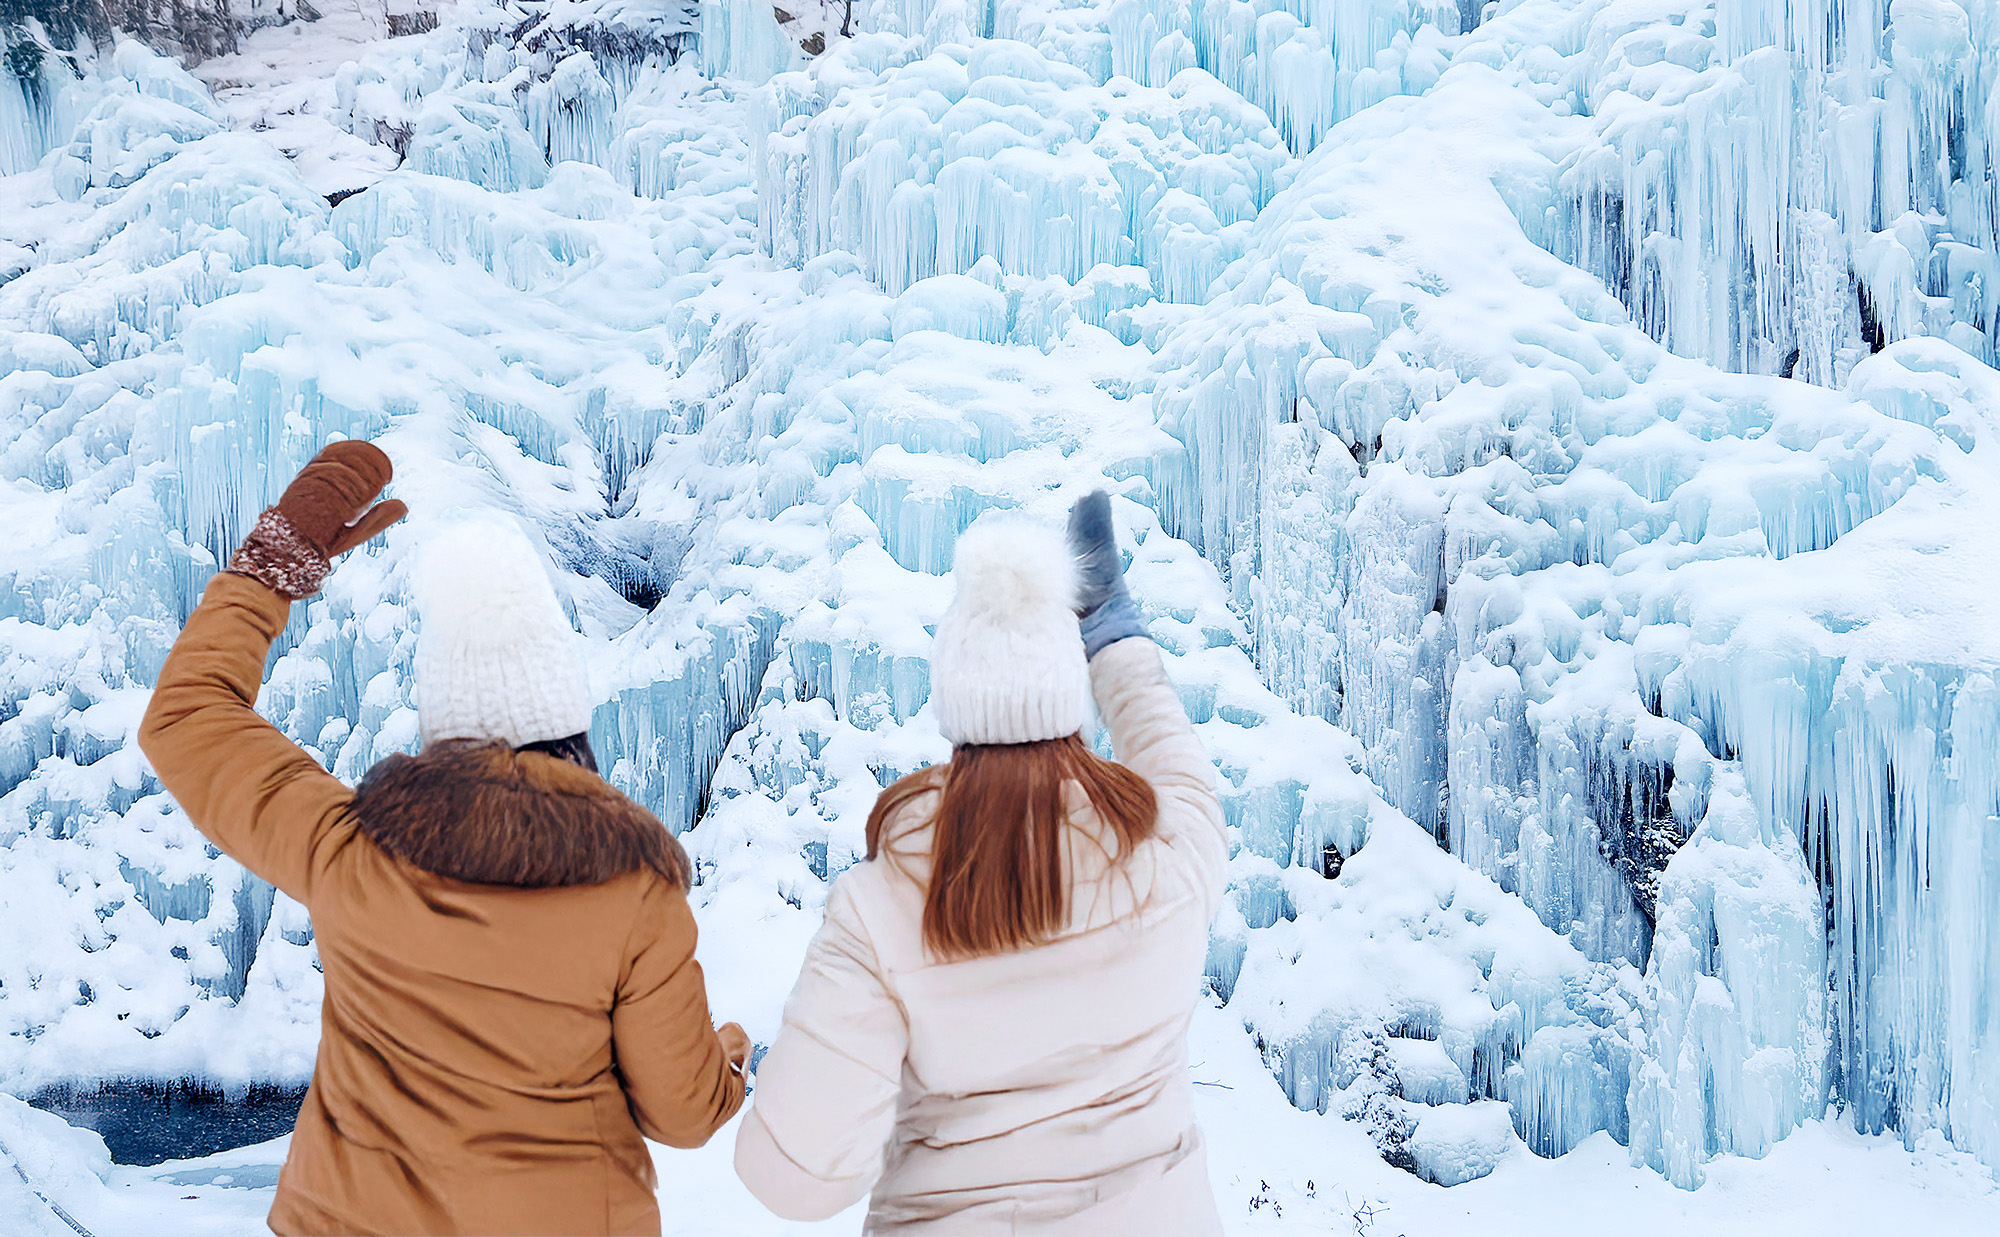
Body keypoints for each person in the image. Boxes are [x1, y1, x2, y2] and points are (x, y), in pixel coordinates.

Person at [138, 441, 749, 1237]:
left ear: (442, 730)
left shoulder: (349, 848)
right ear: (567, 724)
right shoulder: (635, 896)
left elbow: (187, 717)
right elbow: (682, 1111)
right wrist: (727, 1061)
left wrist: (273, 565)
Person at [734, 491, 1228, 1234]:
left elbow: (793, 1179)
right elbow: (1180, 773)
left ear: (952, 704)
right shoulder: (1167, 858)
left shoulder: (881, 910)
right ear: (1069, 695)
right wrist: (1115, 636)